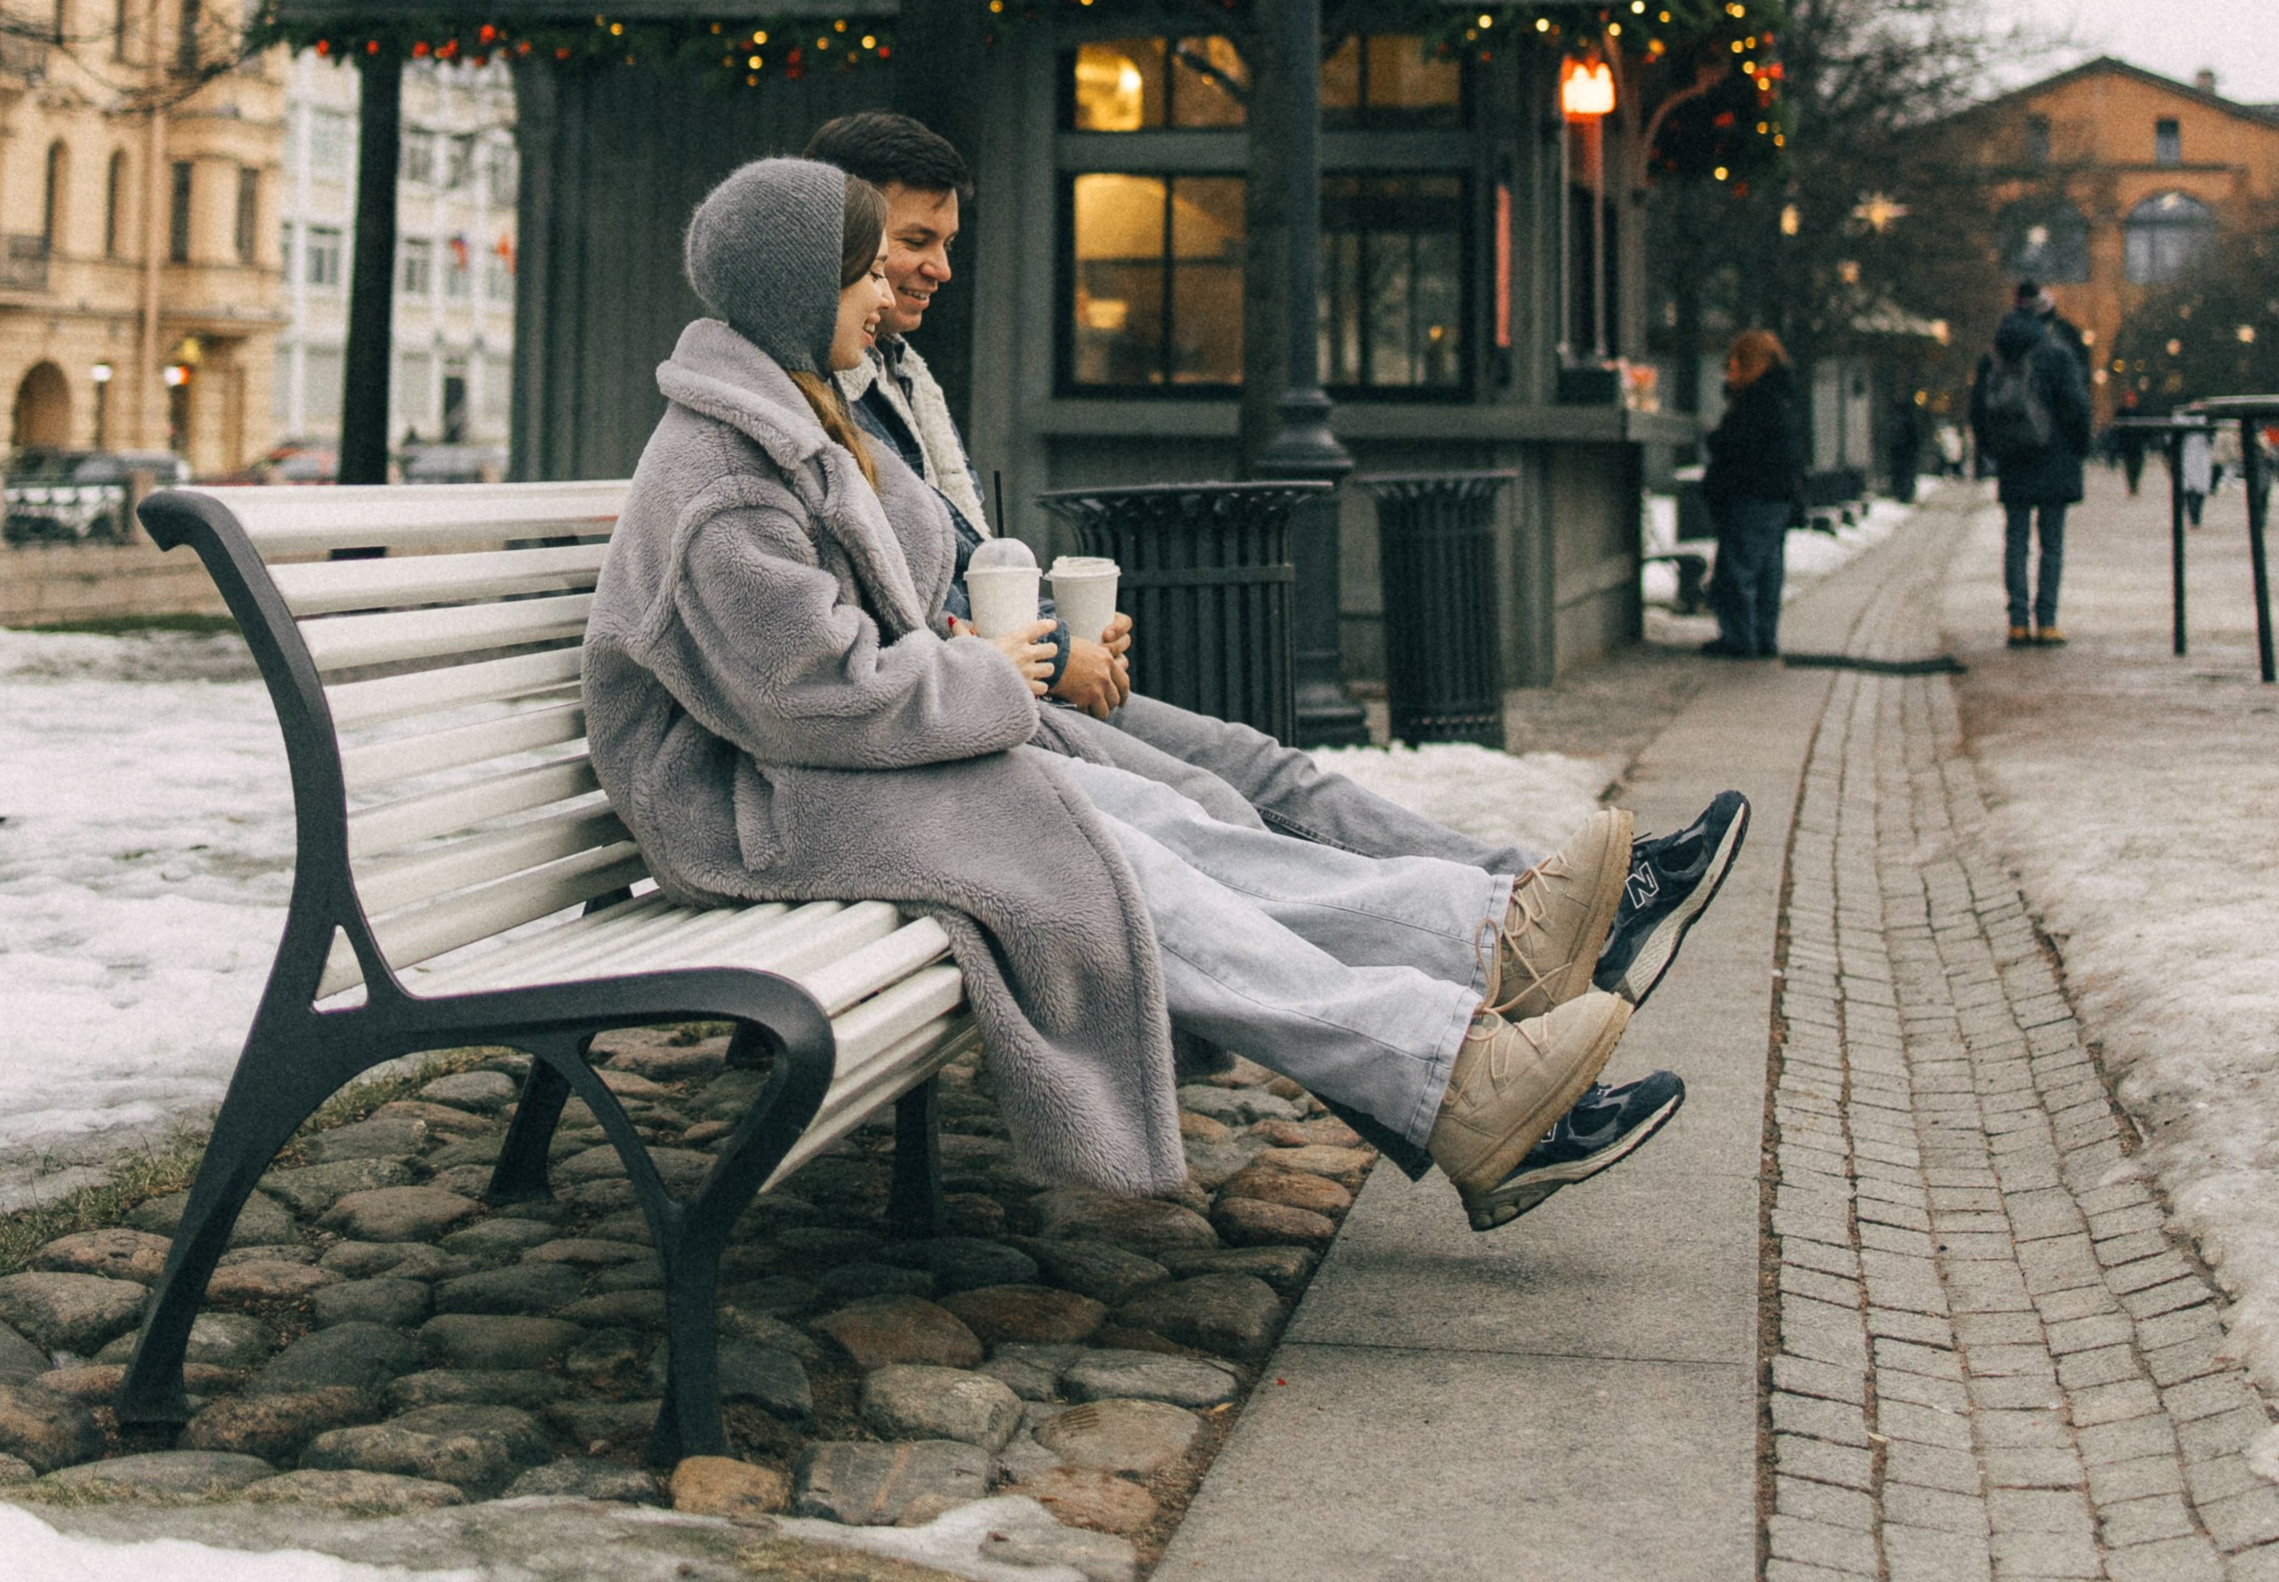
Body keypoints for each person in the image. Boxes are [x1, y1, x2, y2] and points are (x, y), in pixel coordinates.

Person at [584, 153, 1694, 1233]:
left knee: (1157, 816)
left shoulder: (794, 417)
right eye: (869, 268)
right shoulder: (726, 482)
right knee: (1104, 858)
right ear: (795, 288)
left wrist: (988, 658)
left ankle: (1488, 944)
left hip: (828, 777)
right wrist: (991, 671)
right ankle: (1455, 1071)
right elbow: (808, 696)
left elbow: (865, 645)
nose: (887, 290)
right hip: (750, 813)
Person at [802, 109, 1749, 1015]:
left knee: (1270, 768)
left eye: (945, 244)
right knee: (1217, 804)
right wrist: (1042, 653)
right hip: (963, 725)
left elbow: (961, 563)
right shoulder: (818, 400)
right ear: (840, 235)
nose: (937, 269)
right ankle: (1493, 965)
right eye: (916, 243)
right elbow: (893, 613)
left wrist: (1062, 624)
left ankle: (1555, 901)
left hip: (1010, 691)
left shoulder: (895, 377)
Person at [1971, 279, 2093, 647]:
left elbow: (1978, 410)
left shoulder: (1994, 354)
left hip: (2013, 455)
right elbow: (2076, 406)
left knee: (2016, 539)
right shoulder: (2056, 352)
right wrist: (2079, 447)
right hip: (2054, 454)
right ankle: (2047, 621)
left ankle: (2018, 622)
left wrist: (1992, 449)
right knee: (2051, 543)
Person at [1700, 329, 1805, 660]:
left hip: (1754, 496)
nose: (1729, 370)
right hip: (1776, 496)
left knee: (1738, 570)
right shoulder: (1780, 397)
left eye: (1735, 363)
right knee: (1766, 571)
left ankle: (1740, 638)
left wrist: (1715, 438)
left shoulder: (1756, 401)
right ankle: (1762, 636)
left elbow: (1737, 446)